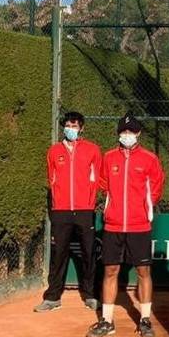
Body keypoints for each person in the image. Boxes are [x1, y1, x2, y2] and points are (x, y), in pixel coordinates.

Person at [86, 115, 164, 337]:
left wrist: (144, 208)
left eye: (131, 131)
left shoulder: (150, 159)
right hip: (113, 225)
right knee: (110, 271)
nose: (127, 135)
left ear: (138, 133)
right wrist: (113, 208)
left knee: (143, 271)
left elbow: (156, 187)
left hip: (139, 225)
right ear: (119, 133)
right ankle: (107, 321)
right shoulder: (109, 158)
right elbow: (103, 184)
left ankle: (145, 319)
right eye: (124, 131)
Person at [35, 112, 102, 313]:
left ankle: (91, 295)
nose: (70, 128)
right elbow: (51, 178)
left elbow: (96, 178)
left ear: (81, 128)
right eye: (67, 125)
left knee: (89, 253)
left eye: (74, 125)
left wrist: (89, 200)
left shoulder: (92, 150)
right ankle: (53, 297)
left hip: (84, 210)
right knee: (58, 254)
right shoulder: (54, 151)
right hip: (61, 211)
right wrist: (58, 201)